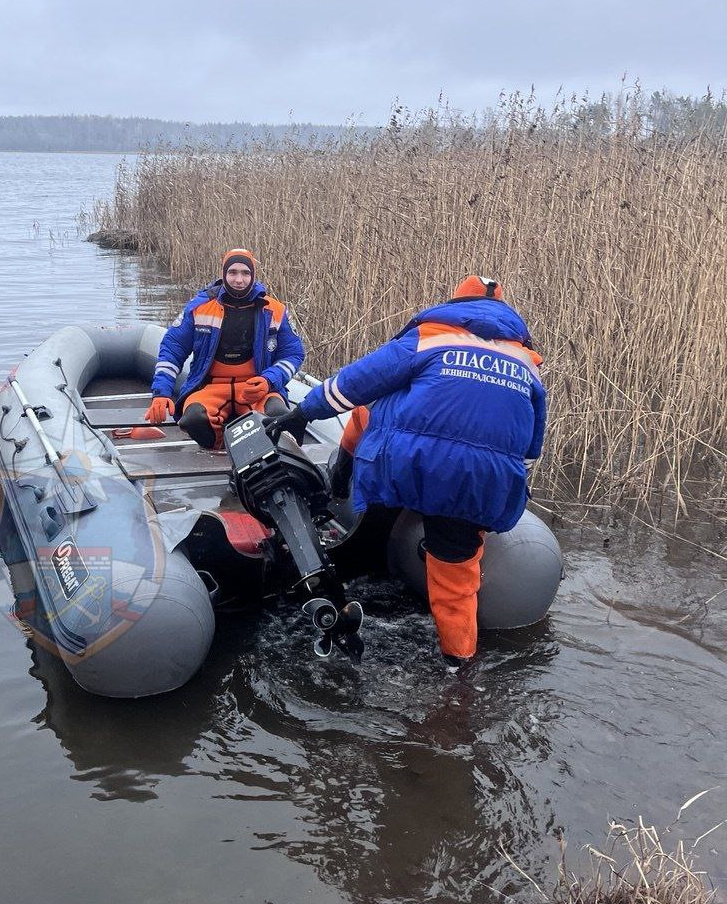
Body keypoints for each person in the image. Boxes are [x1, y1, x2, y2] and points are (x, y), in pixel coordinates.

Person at [269, 276, 546, 667]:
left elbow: (356, 383)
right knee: (455, 584)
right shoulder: (527, 364)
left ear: (455, 304)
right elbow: (531, 446)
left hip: (411, 468)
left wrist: (303, 411)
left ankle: (344, 504)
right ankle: (458, 666)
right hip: (480, 482)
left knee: (375, 411)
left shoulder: (429, 337)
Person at [145, 248, 306, 448]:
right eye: (233, 272)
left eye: (245, 273)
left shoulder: (275, 310)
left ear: (253, 275)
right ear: (223, 274)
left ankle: (261, 453)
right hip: (210, 387)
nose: (239, 279)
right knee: (193, 420)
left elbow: (293, 353)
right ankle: (220, 448)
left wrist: (269, 380)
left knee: (279, 416)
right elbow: (172, 349)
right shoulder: (200, 307)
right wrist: (161, 392)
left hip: (256, 387)